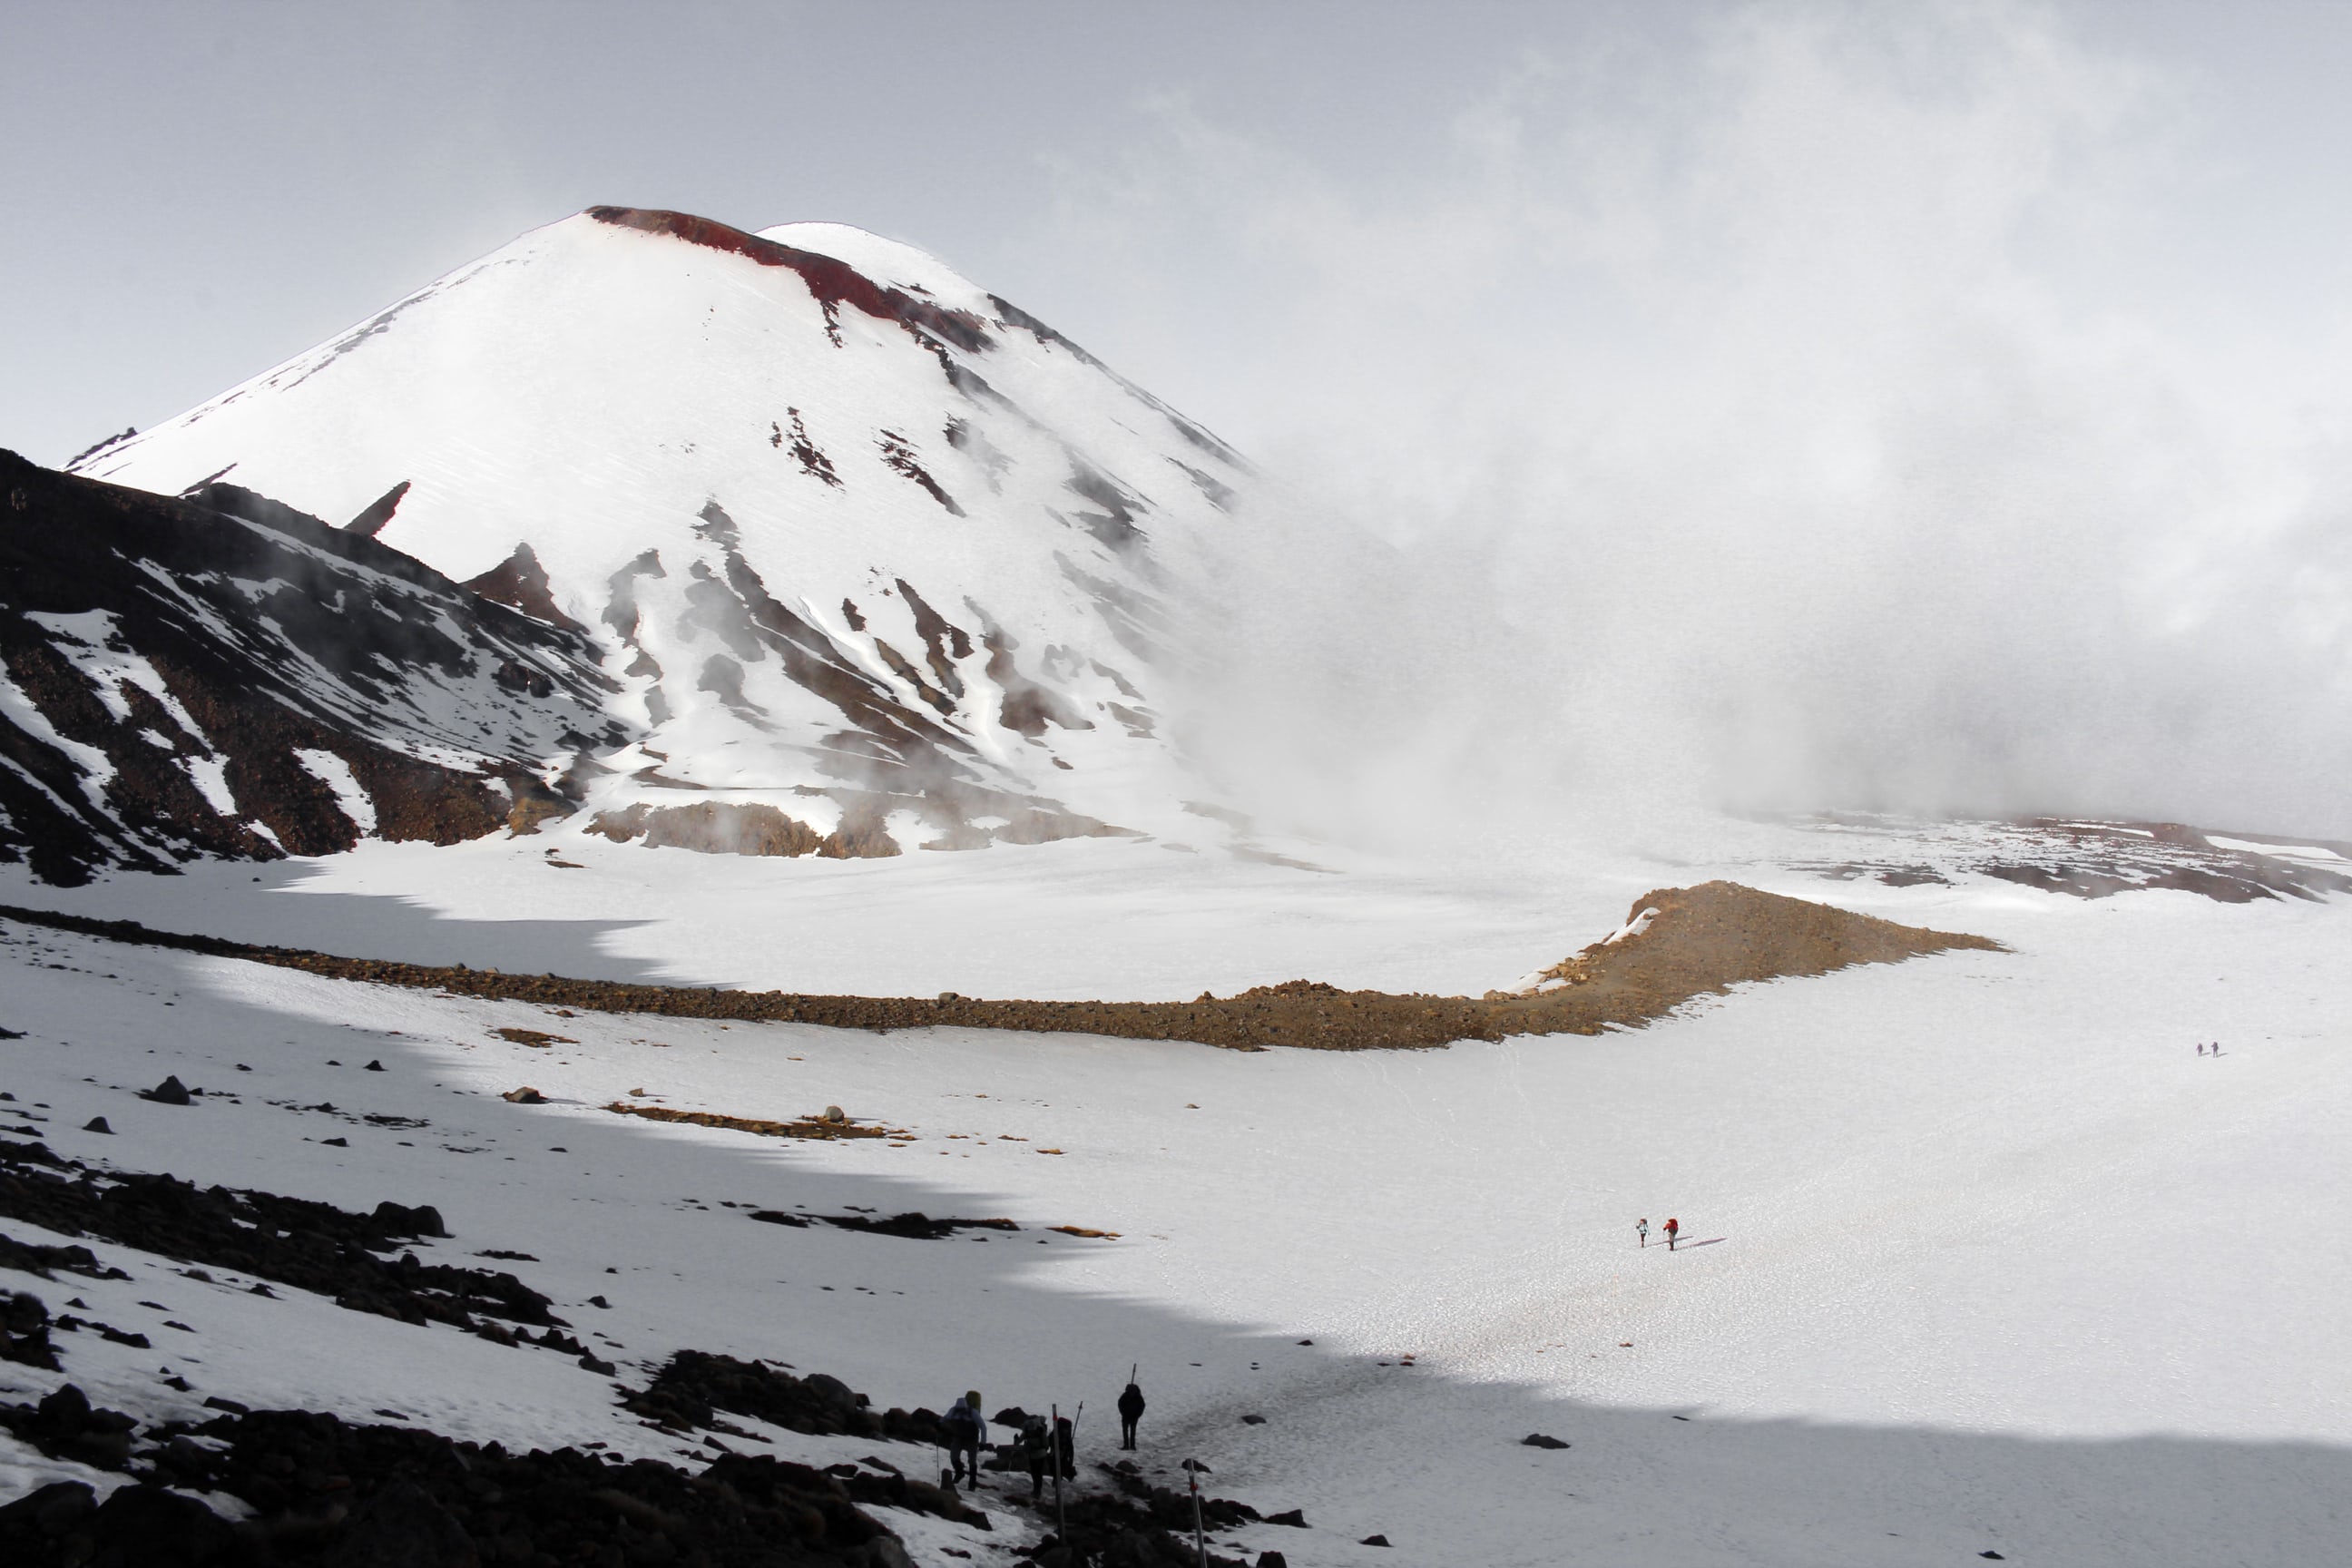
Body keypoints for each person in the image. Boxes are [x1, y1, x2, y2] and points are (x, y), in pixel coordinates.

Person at [943, 1392, 985, 1486]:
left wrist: (983, 1443)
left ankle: (972, 1482)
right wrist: (938, 1424)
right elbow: (945, 1418)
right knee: (954, 1457)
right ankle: (960, 1473)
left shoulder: (972, 1412)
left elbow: (983, 1427)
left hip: (971, 1439)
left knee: (972, 1461)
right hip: (959, 1437)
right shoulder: (954, 1411)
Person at [1020, 1413, 1053, 1500]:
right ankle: (1037, 1492)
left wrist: (1016, 1440)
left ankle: (1036, 1491)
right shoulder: (1040, 1429)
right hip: (1041, 1455)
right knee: (1038, 1474)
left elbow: (1019, 1440)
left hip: (1032, 1455)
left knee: (1034, 1474)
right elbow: (1046, 1444)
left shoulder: (1027, 1429)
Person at [1117, 1379, 1146, 1450]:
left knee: (1132, 1432)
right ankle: (1127, 1445)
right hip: (1126, 1416)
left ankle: (1132, 1446)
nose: (1131, 1394)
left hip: (1133, 1417)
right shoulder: (1126, 1395)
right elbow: (1120, 1404)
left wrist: (1138, 1415)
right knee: (1126, 1431)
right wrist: (1123, 1413)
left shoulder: (1138, 1397)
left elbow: (1142, 1406)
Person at [1054, 1413, 1077, 1480]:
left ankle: (1058, 1478)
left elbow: (1071, 1450)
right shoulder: (1064, 1436)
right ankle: (1058, 1478)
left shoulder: (1063, 1435)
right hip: (1061, 1454)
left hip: (1063, 1454)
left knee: (1060, 1466)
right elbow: (1071, 1451)